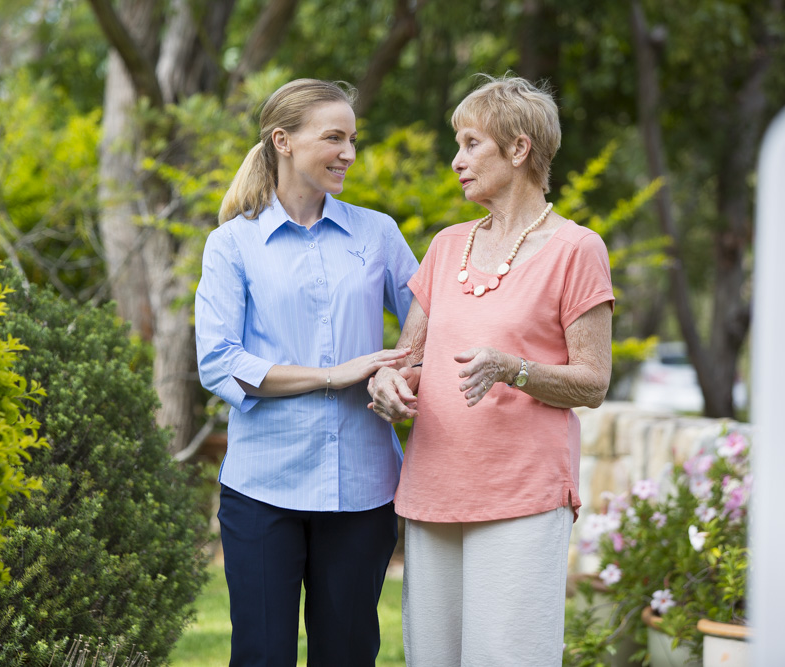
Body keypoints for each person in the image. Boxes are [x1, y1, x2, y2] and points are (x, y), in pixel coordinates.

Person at [368, 74, 614, 666]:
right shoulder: (446, 246)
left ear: (519, 148)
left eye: (471, 144)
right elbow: (411, 360)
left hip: (522, 494)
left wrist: (512, 369)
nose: (457, 160)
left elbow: (593, 381)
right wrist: (388, 382)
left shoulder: (577, 249)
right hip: (433, 489)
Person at [195, 78, 419, 667]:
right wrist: (331, 375)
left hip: (363, 488)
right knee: (262, 656)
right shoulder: (232, 245)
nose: (349, 152)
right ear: (283, 141)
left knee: (347, 655)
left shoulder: (377, 233)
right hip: (262, 489)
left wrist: (397, 373)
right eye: (334, 138)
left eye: (353, 139)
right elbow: (218, 361)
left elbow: (432, 322)